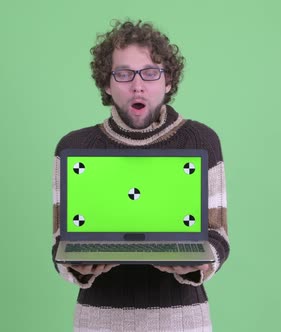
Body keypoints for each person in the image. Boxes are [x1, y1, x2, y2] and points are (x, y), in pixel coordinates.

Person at [52, 19, 229, 331]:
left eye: (150, 73)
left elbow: (218, 236)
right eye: (123, 74)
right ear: (106, 84)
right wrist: (77, 265)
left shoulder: (201, 141)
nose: (137, 85)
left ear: (168, 81)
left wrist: (197, 261)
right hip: (99, 321)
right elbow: (61, 242)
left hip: (182, 321)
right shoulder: (74, 147)